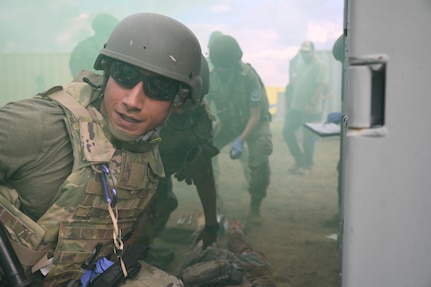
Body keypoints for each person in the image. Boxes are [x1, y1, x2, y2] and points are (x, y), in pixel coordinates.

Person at [0, 12, 203, 287]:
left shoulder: (144, 149)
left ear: (177, 103)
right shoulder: (42, 124)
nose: (133, 100)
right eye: (124, 75)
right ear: (106, 74)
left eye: (160, 88)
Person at [147, 57, 220, 265]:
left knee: (164, 204)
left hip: (157, 172)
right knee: (143, 208)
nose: (179, 106)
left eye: (189, 98)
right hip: (122, 181)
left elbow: (204, 173)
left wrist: (211, 225)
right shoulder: (142, 108)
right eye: (176, 94)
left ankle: (143, 243)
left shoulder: (199, 118)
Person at [207, 35, 273, 224]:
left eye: (226, 66)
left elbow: (255, 115)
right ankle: (214, 203)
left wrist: (241, 140)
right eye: (219, 66)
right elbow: (206, 103)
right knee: (204, 153)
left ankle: (255, 206)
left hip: (254, 124)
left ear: (235, 61)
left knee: (259, 161)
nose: (222, 70)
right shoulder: (212, 77)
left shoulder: (249, 76)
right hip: (229, 124)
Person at [178, 219, 277, 286]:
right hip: (248, 270)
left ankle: (209, 228)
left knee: (205, 247)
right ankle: (235, 230)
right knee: (246, 251)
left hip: (205, 264)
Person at [283, 40, 326, 175]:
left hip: (310, 109)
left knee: (308, 138)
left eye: (306, 52)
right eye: (302, 52)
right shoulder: (300, 64)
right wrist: (290, 100)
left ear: (312, 51)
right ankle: (299, 160)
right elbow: (294, 83)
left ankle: (307, 166)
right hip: (296, 107)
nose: (304, 54)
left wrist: (311, 104)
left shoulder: (319, 65)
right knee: (287, 131)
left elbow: (320, 86)